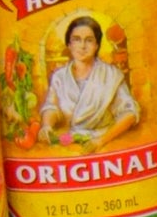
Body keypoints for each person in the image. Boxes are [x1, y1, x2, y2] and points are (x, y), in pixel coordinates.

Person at [38, 15, 140, 151]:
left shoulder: (111, 75)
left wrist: (100, 141)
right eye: (76, 40)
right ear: (69, 44)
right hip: (70, 144)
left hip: (107, 144)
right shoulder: (59, 77)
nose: (82, 46)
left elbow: (130, 113)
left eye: (89, 40)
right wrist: (47, 126)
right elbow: (52, 107)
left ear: (96, 45)